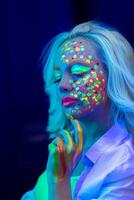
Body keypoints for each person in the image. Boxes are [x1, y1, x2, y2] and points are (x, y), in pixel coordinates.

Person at [21, 21, 134, 200]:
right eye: (57, 78)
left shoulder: (125, 164)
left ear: (113, 76)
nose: (63, 85)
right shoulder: (66, 146)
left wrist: (60, 182)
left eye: (79, 72)